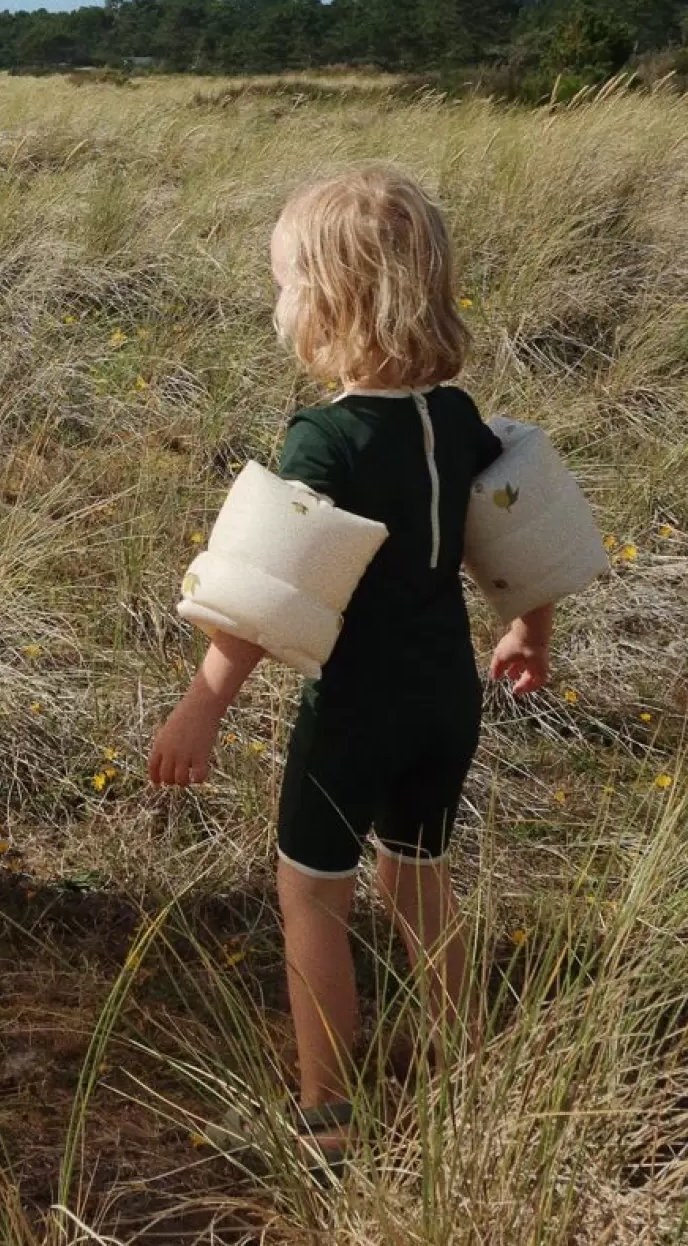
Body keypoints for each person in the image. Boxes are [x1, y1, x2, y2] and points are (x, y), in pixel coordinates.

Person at [148, 165, 553, 1161]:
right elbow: (523, 531)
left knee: (313, 897)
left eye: (285, 280)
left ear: (331, 301)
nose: (278, 298)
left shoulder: (324, 440)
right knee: (420, 878)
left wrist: (200, 709)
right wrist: (530, 631)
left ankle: (328, 1107)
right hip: (445, 700)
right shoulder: (455, 419)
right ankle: (461, 1062)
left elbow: (261, 591)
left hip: (357, 710)